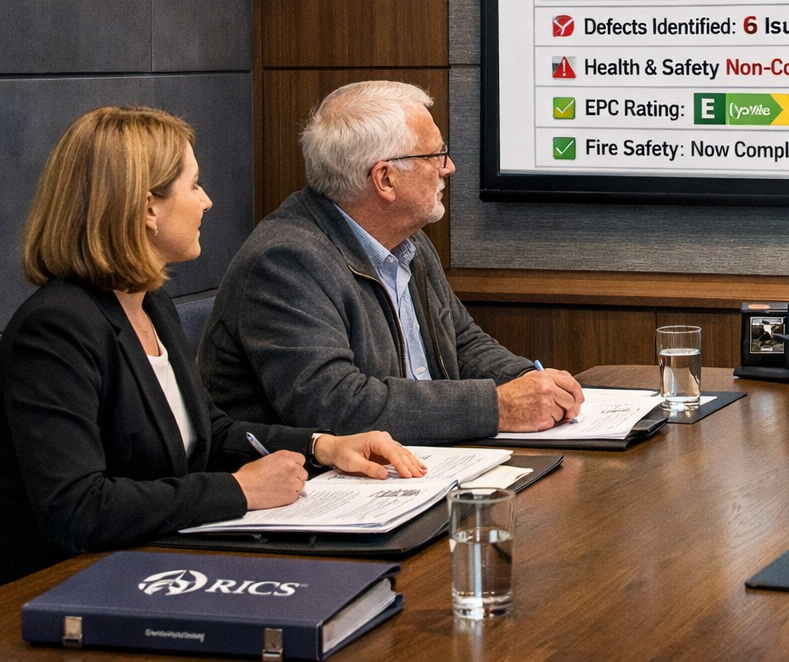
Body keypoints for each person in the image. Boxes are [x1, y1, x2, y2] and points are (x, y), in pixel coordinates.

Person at [0, 107, 424, 585]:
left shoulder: (151, 304)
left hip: (155, 560)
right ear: (148, 208)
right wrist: (238, 490)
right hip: (67, 584)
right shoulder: (55, 329)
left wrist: (323, 446)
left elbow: (211, 434)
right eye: (195, 185)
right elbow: (77, 508)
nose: (207, 201)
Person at [200, 81, 583, 443]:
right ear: (385, 178)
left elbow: (461, 342)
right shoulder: (286, 262)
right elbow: (336, 405)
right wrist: (498, 406)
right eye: (436, 154)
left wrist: (532, 382)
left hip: (422, 461)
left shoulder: (407, 241)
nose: (448, 167)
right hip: (319, 481)